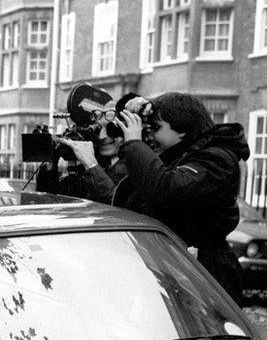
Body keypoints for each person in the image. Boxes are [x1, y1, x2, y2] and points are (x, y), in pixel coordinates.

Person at [113, 92, 250, 304]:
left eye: (156, 128)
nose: (150, 135)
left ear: (183, 131)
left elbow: (166, 189)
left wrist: (135, 144)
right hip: (174, 263)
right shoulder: (179, 154)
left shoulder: (216, 158)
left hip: (205, 273)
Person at [42, 104, 127, 205]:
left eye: (110, 130)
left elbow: (119, 203)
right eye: (98, 129)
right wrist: (52, 163)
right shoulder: (99, 167)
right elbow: (51, 200)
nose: (101, 137)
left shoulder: (135, 168)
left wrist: (92, 165)